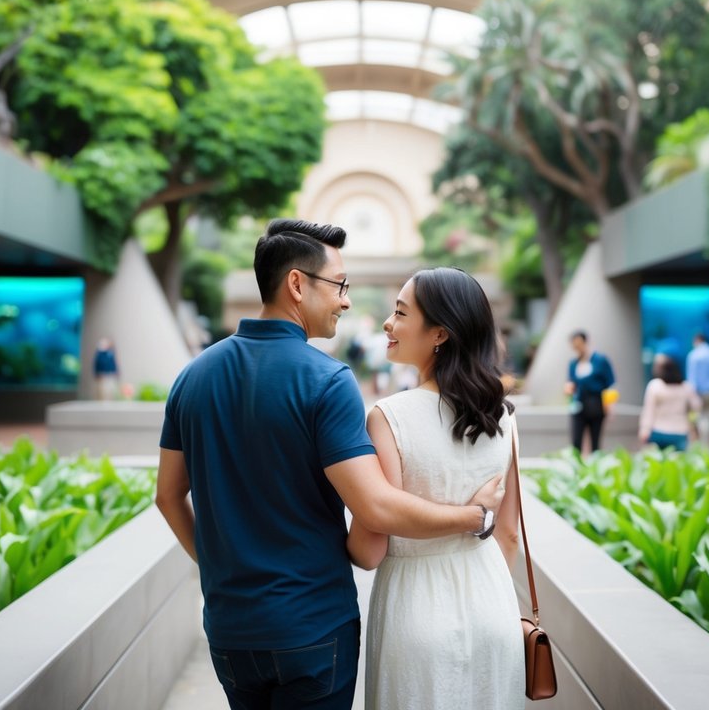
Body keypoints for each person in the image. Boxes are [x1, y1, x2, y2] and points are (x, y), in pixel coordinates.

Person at [155, 220, 505, 710]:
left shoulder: (192, 378)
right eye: (339, 285)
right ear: (297, 285)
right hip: (313, 627)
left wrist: (217, 566)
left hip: (230, 629)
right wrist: (474, 517)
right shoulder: (327, 380)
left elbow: (167, 496)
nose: (345, 300)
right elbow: (376, 508)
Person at [347, 267, 524, 710]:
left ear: (440, 333)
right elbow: (508, 535)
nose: (388, 323)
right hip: (493, 605)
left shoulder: (389, 417)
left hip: (416, 613)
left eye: (400, 313)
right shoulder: (502, 416)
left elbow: (369, 549)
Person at [564, 329, 616, 454]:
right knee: (576, 441)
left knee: (595, 441)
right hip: (578, 404)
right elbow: (570, 382)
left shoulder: (600, 361)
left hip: (596, 404)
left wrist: (609, 406)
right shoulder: (573, 363)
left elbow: (610, 384)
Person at [639, 353, 702, 452]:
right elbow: (697, 407)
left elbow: (648, 411)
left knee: (658, 465)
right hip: (680, 432)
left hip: (658, 432)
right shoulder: (686, 387)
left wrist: (644, 430)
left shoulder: (654, 386)